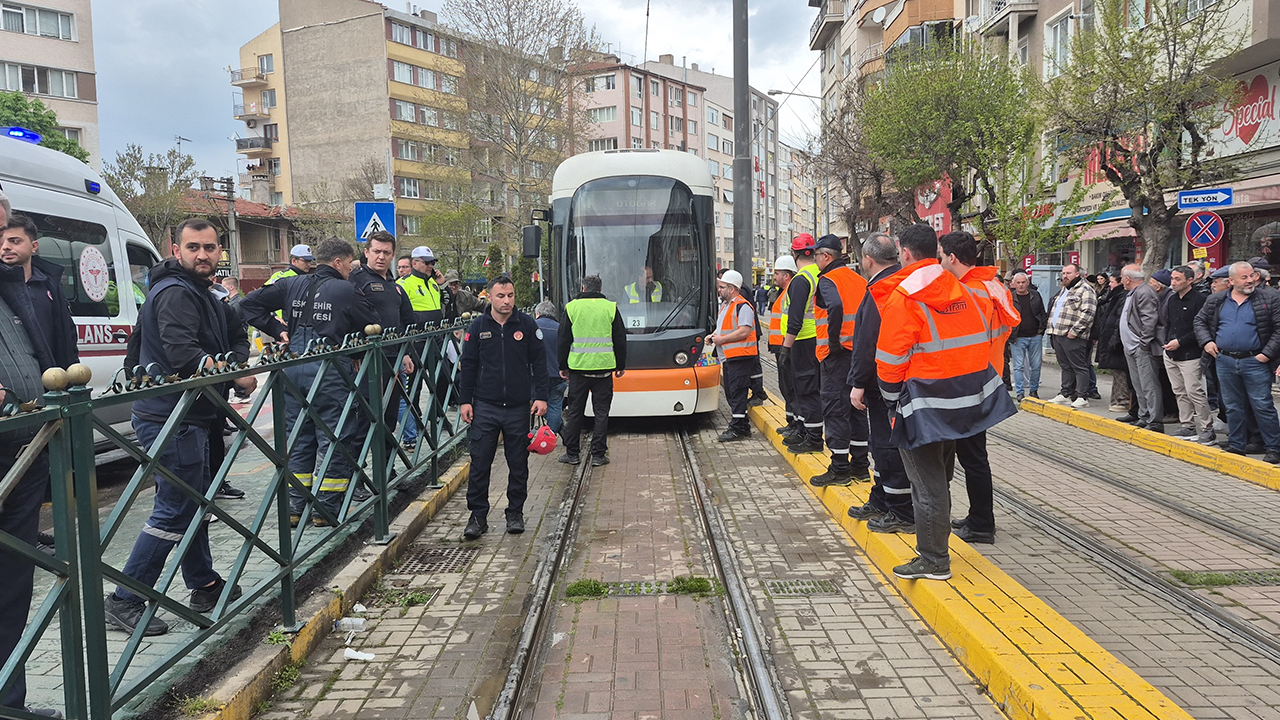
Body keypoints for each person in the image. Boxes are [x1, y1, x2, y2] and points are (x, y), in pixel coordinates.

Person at [106, 218, 257, 637]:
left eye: (209, 248)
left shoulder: (205, 293)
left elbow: (236, 332)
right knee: (174, 509)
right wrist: (234, 374)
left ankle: (204, 585)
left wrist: (235, 359)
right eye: (193, 247)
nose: (202, 255)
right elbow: (183, 356)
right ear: (176, 249)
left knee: (194, 505)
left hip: (194, 414)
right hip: (171, 417)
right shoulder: (175, 293)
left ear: (219, 251)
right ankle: (125, 599)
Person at [875, 224, 1016, 580]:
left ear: (905, 253)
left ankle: (934, 559)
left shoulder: (904, 297)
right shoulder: (967, 290)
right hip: (962, 400)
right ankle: (937, 548)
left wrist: (893, 405)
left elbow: (890, 362)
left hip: (922, 404)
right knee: (941, 478)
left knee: (926, 486)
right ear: (935, 253)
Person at [0, 201, 79, 718]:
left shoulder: (27, 285)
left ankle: (9, 697)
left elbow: (46, 348)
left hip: (24, 438)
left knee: (14, 576)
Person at [241, 237, 379, 526]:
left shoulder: (291, 284)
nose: (350, 272)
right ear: (339, 262)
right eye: (348, 266)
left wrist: (276, 328)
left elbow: (249, 305)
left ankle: (295, 507)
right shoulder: (346, 289)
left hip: (293, 367)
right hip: (328, 370)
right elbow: (370, 326)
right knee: (334, 435)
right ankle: (326, 510)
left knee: (298, 436)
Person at [939, 231, 1020, 546]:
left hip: (970, 380)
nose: (940, 261)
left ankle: (983, 523)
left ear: (953, 258)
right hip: (987, 377)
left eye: (941, 256)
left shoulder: (967, 293)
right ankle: (978, 515)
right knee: (973, 453)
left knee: (972, 456)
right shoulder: (992, 286)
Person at [457, 276, 549, 539]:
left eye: (510, 295)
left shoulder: (527, 325)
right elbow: (469, 366)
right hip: (485, 406)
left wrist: (541, 396)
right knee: (480, 462)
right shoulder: (477, 327)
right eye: (501, 296)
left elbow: (540, 363)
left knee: (518, 463)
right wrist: (465, 401)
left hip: (519, 407)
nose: (506, 301)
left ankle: (515, 513)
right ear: (490, 297)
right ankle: (477, 516)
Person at [847, 232, 915, 534]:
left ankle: (899, 510)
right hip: (900, 378)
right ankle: (881, 498)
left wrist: (858, 382)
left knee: (886, 446)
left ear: (868, 259)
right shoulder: (902, 282)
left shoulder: (881, 289)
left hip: (881, 382)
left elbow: (867, 341)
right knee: (882, 444)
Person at [1195, 261, 1280, 463]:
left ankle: (1274, 448)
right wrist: (1207, 342)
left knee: (1262, 405)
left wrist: (1266, 354)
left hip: (1256, 361)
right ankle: (1237, 445)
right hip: (1225, 360)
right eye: (1245, 277)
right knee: (1232, 406)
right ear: (1231, 281)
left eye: (1252, 275)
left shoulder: (1269, 297)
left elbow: (1279, 328)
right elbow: (1199, 321)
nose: (1250, 280)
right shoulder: (1216, 300)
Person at [810, 234, 870, 486]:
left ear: (826, 256)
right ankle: (860, 465)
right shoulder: (859, 280)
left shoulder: (827, 280)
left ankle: (839, 468)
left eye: (816, 256)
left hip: (836, 355)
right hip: (857, 354)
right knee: (856, 409)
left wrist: (833, 342)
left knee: (835, 409)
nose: (815, 261)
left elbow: (834, 307)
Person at [349, 231, 417, 450]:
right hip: (367, 362)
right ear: (367, 252)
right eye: (376, 251)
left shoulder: (395, 286)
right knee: (363, 421)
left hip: (393, 361)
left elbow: (407, 322)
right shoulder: (355, 281)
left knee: (388, 419)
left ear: (393, 255)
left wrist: (405, 352)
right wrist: (356, 354)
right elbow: (348, 318)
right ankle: (357, 478)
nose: (381, 257)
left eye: (386, 252)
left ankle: (387, 473)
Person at [557, 275, 627, 466]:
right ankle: (598, 455)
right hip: (603, 370)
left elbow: (563, 340)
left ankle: (572, 454)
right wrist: (620, 365)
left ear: (584, 288)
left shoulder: (572, 308)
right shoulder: (610, 308)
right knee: (601, 413)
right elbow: (620, 339)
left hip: (579, 370)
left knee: (575, 412)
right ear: (600, 289)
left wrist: (562, 366)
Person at [778, 234, 824, 454]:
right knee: (811, 389)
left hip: (802, 341)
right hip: (818, 339)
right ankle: (807, 431)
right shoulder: (820, 274)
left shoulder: (800, 280)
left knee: (805, 391)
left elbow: (795, 320)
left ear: (794, 253)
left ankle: (812, 438)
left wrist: (785, 348)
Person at [1161, 266, 1214, 443]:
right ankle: (1187, 425)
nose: (1173, 283)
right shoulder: (1172, 299)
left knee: (1195, 391)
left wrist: (1181, 342)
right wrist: (1168, 343)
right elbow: (1167, 323)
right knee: (1179, 391)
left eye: (1178, 279)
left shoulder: (1200, 300)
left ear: (1190, 280)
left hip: (1191, 354)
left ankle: (1207, 427)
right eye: (1172, 279)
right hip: (1171, 352)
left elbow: (1201, 328)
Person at [710, 270, 758, 442]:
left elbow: (744, 331)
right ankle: (742, 425)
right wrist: (713, 336)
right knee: (732, 392)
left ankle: (738, 428)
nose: (719, 290)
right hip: (730, 356)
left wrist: (721, 339)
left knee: (737, 392)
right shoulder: (726, 306)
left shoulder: (742, 306)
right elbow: (724, 328)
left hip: (740, 356)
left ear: (732, 288)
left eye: (722, 287)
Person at [1116, 265, 1164, 431]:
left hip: (1140, 347)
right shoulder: (1134, 292)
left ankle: (1154, 420)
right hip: (1131, 346)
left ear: (1128, 279)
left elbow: (1149, 320)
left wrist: (1143, 343)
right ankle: (1144, 416)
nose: (1121, 280)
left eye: (1122, 277)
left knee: (1148, 384)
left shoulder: (1144, 292)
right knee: (1138, 384)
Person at [1046, 264, 1098, 407]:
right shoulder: (1064, 290)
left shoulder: (1086, 290)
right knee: (1065, 366)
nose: (1065, 276)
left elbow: (1088, 313)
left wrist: (1075, 331)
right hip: (1057, 333)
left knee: (1079, 366)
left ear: (1077, 274)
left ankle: (1082, 396)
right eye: (1063, 273)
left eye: (1068, 273)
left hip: (1073, 336)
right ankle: (1065, 393)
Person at [766, 255, 800, 435]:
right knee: (786, 386)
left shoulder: (789, 293)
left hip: (787, 347)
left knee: (791, 386)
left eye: (777, 273)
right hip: (781, 347)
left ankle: (795, 424)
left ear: (787, 275)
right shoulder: (783, 293)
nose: (775, 277)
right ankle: (791, 421)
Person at [1094, 273, 1134, 414]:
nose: (1109, 284)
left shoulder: (1122, 297)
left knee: (1120, 371)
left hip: (1117, 342)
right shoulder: (1114, 296)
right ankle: (1117, 399)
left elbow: (1119, 321)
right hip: (1110, 339)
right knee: (1116, 371)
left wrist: (1114, 341)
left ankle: (1122, 400)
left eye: (1111, 282)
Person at [1008, 272, 1046, 402]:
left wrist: (1042, 330)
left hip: (1035, 335)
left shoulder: (1035, 295)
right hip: (1017, 337)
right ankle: (1019, 392)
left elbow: (1042, 312)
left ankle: (1033, 390)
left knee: (1036, 365)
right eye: (1018, 283)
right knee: (1018, 366)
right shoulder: (1010, 298)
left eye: (1023, 282)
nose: (1021, 285)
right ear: (1014, 284)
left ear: (1028, 283)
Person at [534, 301, 566, 434]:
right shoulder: (561, 329)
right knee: (555, 407)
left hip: (534, 376)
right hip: (558, 375)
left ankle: (561, 431)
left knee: (535, 404)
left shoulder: (531, 327)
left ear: (538, 314)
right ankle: (554, 434)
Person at [398, 246, 444, 326]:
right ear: (414, 264)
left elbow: (447, 301)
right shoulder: (403, 283)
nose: (430, 266)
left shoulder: (432, 281)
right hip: (417, 334)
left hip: (437, 332)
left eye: (432, 263)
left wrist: (442, 284)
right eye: (426, 263)